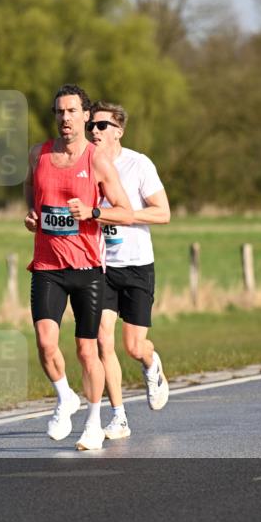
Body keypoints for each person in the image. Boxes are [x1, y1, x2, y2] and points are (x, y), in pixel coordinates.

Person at [24, 84, 133, 451]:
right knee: (44, 342)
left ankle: (92, 420)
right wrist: (32, 214)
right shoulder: (38, 154)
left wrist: (93, 212)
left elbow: (126, 211)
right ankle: (64, 397)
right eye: (59, 112)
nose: (65, 118)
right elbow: (30, 188)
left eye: (72, 112)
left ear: (86, 116)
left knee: (88, 350)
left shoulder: (97, 160)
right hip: (47, 265)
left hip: (86, 268)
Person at [87, 101, 171, 441]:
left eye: (102, 125)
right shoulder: (86, 166)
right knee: (102, 339)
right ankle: (118, 417)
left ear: (118, 131)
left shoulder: (139, 164)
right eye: (91, 125)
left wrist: (119, 214)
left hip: (136, 265)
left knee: (134, 346)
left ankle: (152, 365)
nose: (94, 130)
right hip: (102, 266)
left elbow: (163, 213)